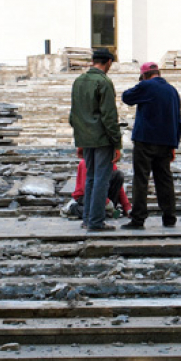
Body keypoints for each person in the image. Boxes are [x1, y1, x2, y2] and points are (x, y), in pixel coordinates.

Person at [120, 62, 181, 229]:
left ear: (144, 75)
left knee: (141, 179)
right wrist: (173, 145)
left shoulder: (146, 86)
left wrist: (140, 83)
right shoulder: (172, 90)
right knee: (164, 179)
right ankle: (169, 217)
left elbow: (126, 97)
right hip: (166, 141)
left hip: (145, 139)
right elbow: (178, 119)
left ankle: (138, 218)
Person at [69, 48, 122, 232]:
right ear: (108, 62)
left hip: (85, 137)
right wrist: (117, 143)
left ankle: (87, 219)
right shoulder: (103, 82)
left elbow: (73, 115)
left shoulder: (78, 81)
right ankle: (96, 221)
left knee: (90, 178)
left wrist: (80, 141)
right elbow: (109, 116)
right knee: (101, 180)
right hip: (102, 138)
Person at [63, 156, 131, 220]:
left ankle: (107, 211)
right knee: (97, 215)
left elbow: (120, 190)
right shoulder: (85, 163)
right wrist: (105, 201)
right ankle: (73, 208)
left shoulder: (110, 163)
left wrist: (127, 208)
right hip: (85, 196)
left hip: (104, 197)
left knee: (118, 175)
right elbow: (87, 188)